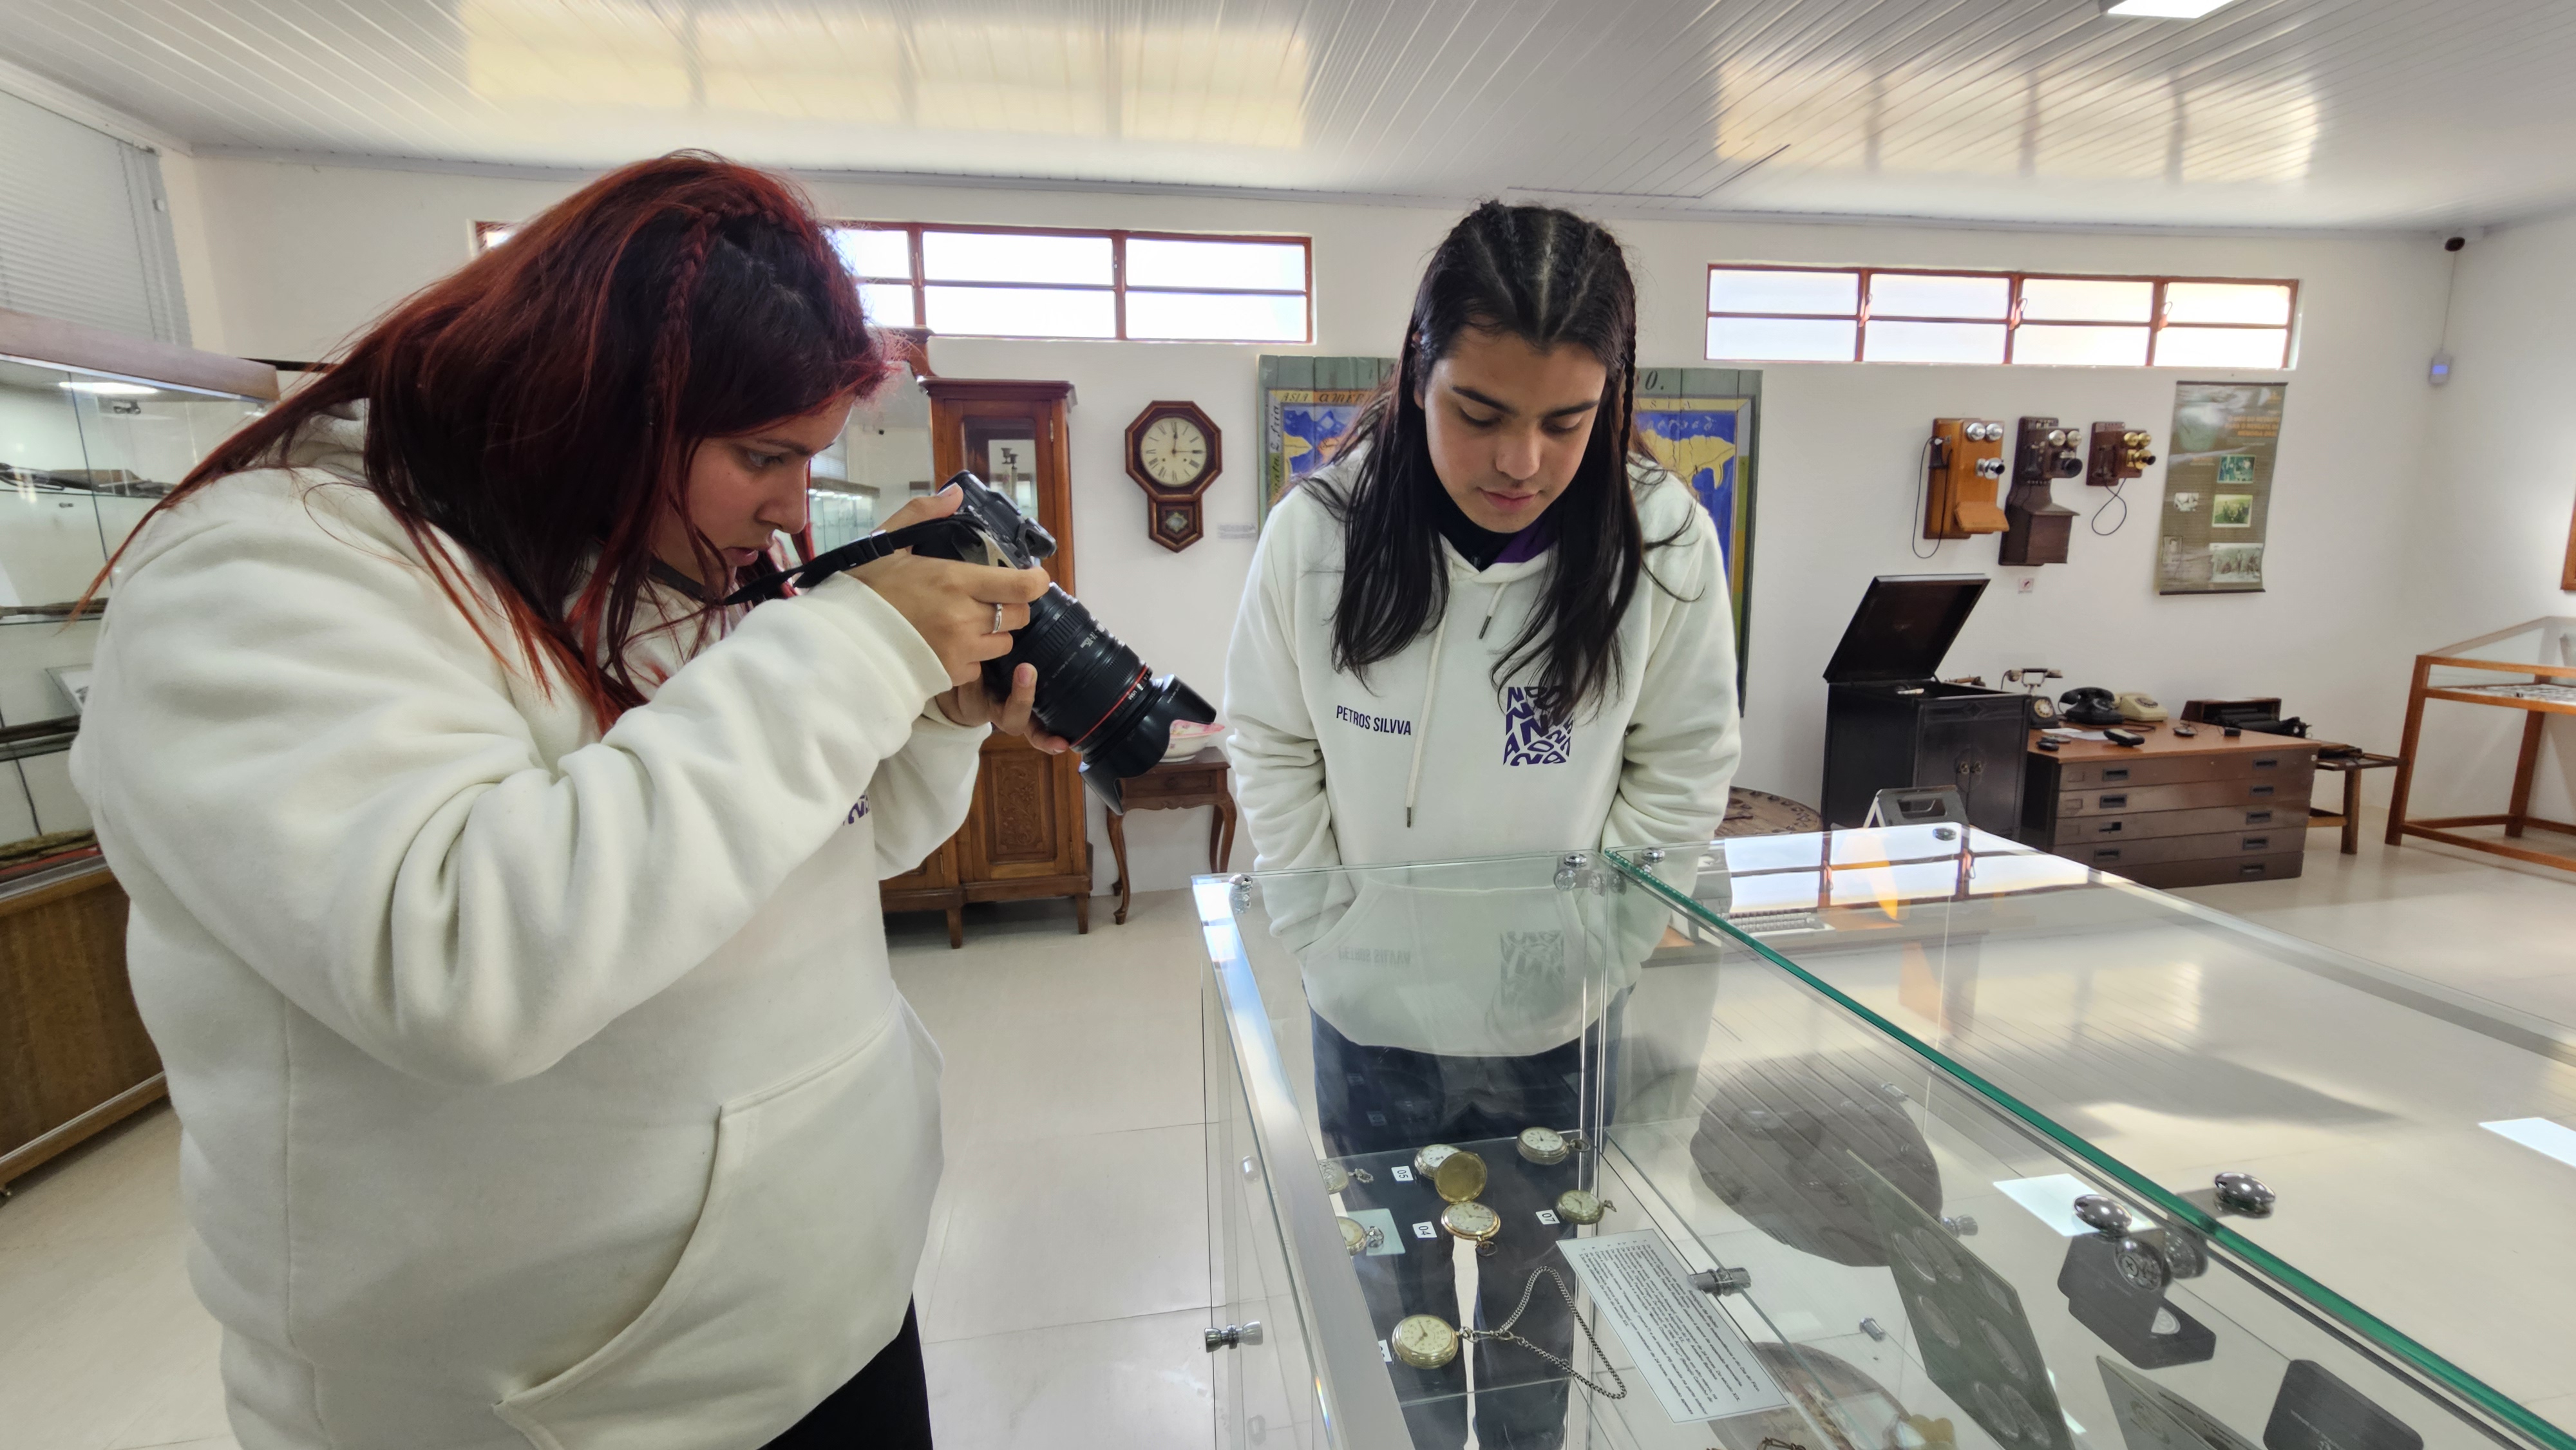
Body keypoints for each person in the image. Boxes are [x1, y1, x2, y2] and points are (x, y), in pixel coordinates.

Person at [68, 155, 1057, 1449]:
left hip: (830, 1312)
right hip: (559, 1405)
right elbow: (461, 965)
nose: (789, 508)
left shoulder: (646, 557)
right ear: (590, 400)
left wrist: (924, 718)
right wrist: (853, 651)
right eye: (765, 454)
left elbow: (817, 858)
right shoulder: (271, 565)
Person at [1223, 200, 1743, 1449]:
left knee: (1531, 1309)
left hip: (1550, 1013)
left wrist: (1599, 952)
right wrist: (1321, 929)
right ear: (1413, 375)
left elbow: (1681, 764)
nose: (1521, 462)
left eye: (1567, 422)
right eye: (1480, 413)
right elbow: (1269, 739)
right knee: (1388, 1306)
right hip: (1368, 1012)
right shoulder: (1319, 536)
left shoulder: (1657, 541)